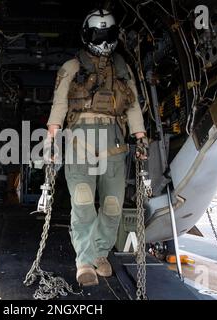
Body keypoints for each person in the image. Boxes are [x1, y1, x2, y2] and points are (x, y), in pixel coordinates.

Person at [46, 9, 148, 286]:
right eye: (98, 35)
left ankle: (100, 254)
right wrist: (52, 140)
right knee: (82, 201)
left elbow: (134, 104)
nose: (103, 41)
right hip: (79, 140)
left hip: (114, 142)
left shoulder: (123, 68)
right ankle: (84, 261)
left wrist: (140, 136)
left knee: (113, 205)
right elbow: (59, 104)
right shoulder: (71, 67)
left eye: (108, 35)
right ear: (87, 35)